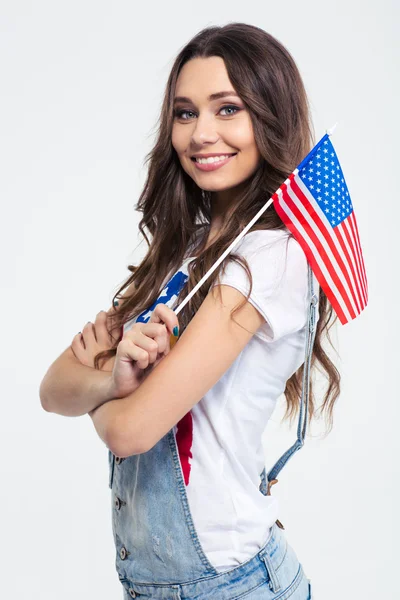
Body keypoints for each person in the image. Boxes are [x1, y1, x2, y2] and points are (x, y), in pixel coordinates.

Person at [40, 22, 341, 600]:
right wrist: (115, 377)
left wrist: (108, 391)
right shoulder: (186, 245)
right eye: (185, 113)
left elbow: (129, 433)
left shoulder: (272, 256)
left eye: (227, 109)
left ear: (269, 118)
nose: (201, 133)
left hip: (231, 585)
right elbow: (54, 390)